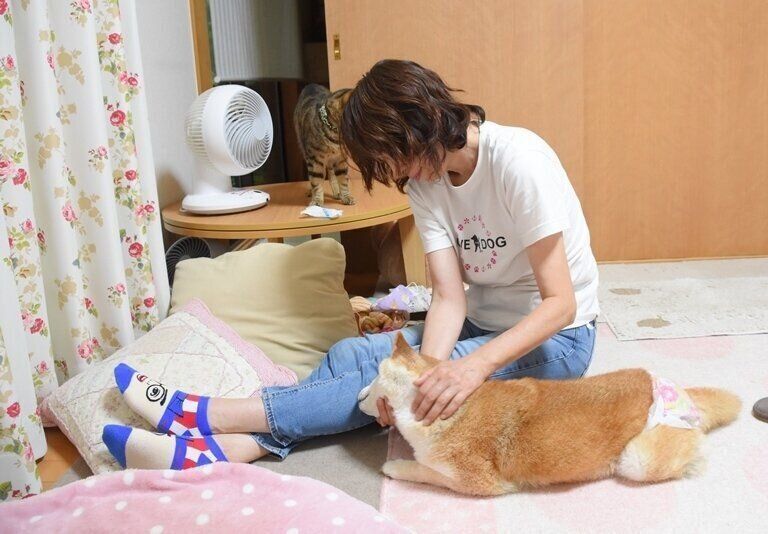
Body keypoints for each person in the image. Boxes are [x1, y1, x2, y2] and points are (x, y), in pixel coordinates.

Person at [102, 59, 600, 470]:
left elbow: (560, 304)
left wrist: (469, 369)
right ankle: (238, 448)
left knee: (393, 384)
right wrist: (416, 372)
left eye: (396, 155)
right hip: (481, 319)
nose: (399, 172)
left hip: (559, 338)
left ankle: (208, 416)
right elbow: (449, 298)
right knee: (351, 356)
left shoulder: (518, 161)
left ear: (422, 120)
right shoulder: (424, 181)